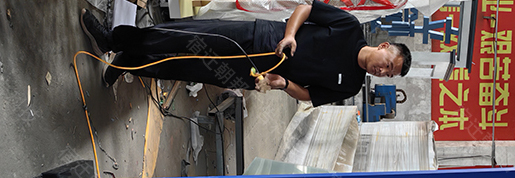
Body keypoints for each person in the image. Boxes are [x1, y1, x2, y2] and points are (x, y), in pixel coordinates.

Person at [79, 1, 411, 107]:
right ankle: (113, 41)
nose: (382, 72)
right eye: (388, 65)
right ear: (383, 48)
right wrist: (290, 35)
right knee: (186, 37)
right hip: (256, 37)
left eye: (388, 74)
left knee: (186, 68)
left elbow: (309, 95)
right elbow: (306, 7)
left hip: (252, 75)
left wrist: (283, 84)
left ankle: (128, 63)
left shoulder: (350, 85)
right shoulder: (349, 27)